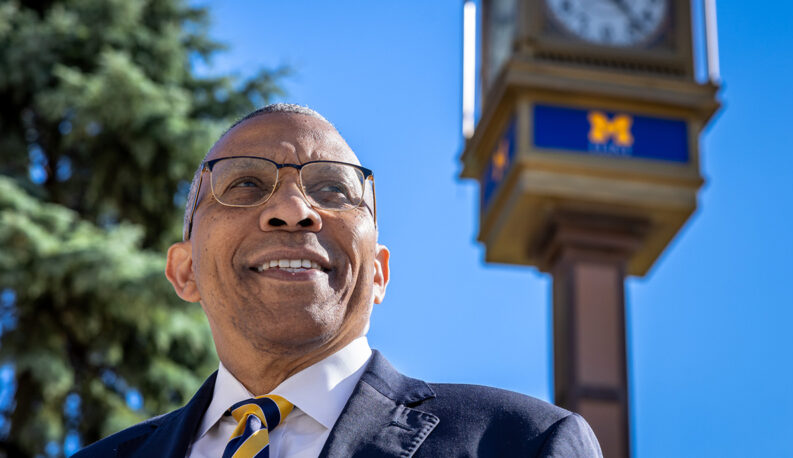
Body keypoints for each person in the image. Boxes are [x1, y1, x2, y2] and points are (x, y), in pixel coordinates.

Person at [75, 104, 602, 457]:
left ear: (377, 273)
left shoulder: (522, 444)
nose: (292, 210)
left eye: (332, 189)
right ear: (184, 270)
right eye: (246, 184)